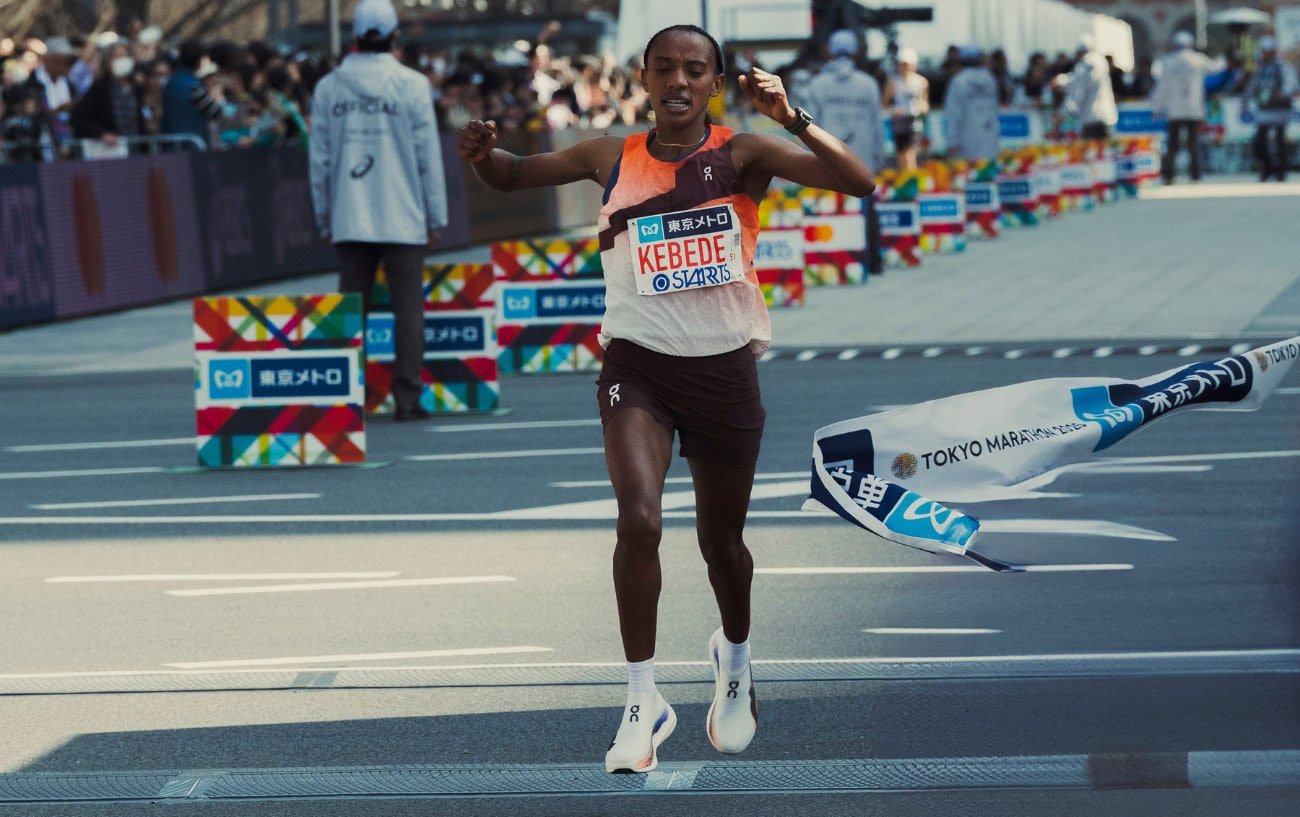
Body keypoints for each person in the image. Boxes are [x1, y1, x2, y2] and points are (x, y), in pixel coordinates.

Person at [459, 23, 873, 774]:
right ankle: (641, 697)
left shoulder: (743, 153)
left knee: (723, 548)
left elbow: (859, 181)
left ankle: (736, 657)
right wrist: (485, 156)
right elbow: (517, 175)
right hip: (636, 367)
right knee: (639, 519)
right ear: (643, 80)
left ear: (714, 83)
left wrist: (791, 117)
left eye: (693, 70)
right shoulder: (609, 154)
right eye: (663, 69)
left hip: (722, 371)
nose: (677, 81)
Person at [310, 0, 448, 422]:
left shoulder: (328, 88)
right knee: (408, 307)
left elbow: (320, 160)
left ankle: (349, 395)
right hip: (403, 211)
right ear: (394, 36)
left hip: (350, 212)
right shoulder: (411, 85)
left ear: (354, 37)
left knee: (352, 308)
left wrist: (323, 214)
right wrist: (435, 214)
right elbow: (428, 156)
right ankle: (406, 398)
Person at [805, 29, 884, 273]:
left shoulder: (817, 85)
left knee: (829, 210)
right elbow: (877, 126)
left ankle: (829, 264)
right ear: (856, 53)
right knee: (866, 208)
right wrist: (878, 159)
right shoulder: (868, 84)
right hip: (862, 158)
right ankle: (872, 262)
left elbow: (807, 126)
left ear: (829, 52)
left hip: (827, 160)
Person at [1151, 31, 1218, 184]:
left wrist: (1157, 108)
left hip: (1175, 110)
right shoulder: (1198, 60)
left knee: (1173, 144)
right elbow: (1216, 68)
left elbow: (1162, 88)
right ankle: (1196, 174)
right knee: (1194, 143)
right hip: (1193, 109)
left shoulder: (1168, 62)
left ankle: (1169, 174)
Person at [1243, 37, 1297, 182]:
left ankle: (1281, 172)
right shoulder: (1260, 68)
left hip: (1280, 110)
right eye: (1263, 51)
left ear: (1273, 52)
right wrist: (1245, 100)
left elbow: (1291, 84)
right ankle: (1267, 168)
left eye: (1268, 52)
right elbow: (1253, 85)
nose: (1265, 54)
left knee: (1279, 140)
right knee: (1259, 141)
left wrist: (1282, 94)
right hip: (1264, 110)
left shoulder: (1282, 67)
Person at [71, 42, 144, 149]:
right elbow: (78, 117)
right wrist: (102, 133)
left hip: (137, 148)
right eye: (117, 57)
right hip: (113, 150)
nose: (122, 60)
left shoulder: (137, 87)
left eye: (125, 56)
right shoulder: (100, 88)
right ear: (108, 62)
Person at [944, 45, 1000, 162]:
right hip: (988, 133)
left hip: (966, 136)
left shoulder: (958, 81)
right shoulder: (989, 78)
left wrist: (952, 141)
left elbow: (954, 113)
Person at [1059, 34, 1117, 140]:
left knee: (1091, 154)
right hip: (1107, 117)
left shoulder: (1085, 64)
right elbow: (1084, 80)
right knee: (1106, 154)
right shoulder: (1101, 62)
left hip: (1091, 118)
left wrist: (1064, 112)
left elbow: (1077, 91)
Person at [885, 46, 929, 170]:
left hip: (914, 122)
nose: (904, 67)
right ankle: (904, 180)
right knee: (900, 155)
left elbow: (924, 103)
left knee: (910, 153)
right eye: (902, 64)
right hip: (898, 123)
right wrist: (894, 111)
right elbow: (885, 104)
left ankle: (911, 179)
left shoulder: (921, 82)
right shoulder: (893, 82)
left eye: (907, 64)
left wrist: (920, 109)